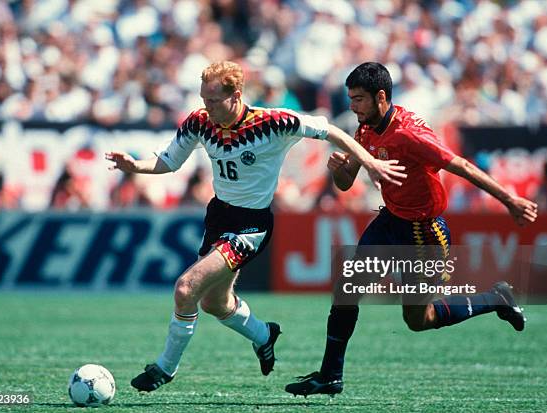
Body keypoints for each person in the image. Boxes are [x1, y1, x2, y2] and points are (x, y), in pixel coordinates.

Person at [105, 61, 407, 392]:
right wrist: (135, 166)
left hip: (251, 226)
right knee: (214, 303)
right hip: (219, 216)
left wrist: (370, 162)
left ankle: (164, 368)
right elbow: (168, 162)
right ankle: (264, 334)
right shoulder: (199, 122)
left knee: (186, 289)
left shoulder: (273, 122)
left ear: (236, 96)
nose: (206, 107)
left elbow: (329, 130)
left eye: (213, 100)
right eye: (204, 99)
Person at [285, 62, 538, 397]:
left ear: (380, 97)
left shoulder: (409, 134)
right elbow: (346, 184)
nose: (353, 106)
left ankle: (496, 298)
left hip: (424, 233)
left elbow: (459, 165)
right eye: (350, 98)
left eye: (358, 99)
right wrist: (337, 171)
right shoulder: (366, 128)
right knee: (347, 288)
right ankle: (331, 375)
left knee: (419, 319)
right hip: (389, 220)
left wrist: (509, 199)